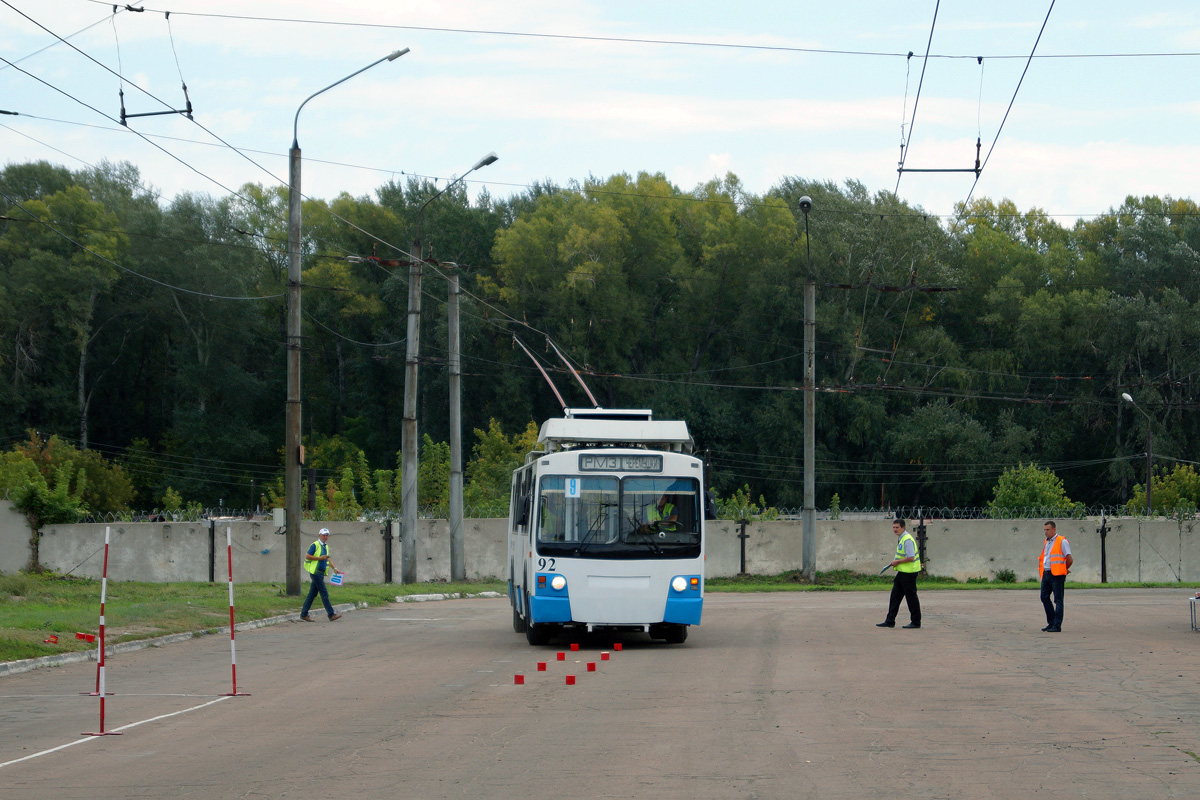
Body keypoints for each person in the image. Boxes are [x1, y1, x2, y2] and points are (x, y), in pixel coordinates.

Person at [877, 519, 922, 629]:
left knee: (911, 598)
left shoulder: (907, 540)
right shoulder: (902, 539)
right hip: (902, 573)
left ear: (903, 527)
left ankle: (916, 622)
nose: (895, 529)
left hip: (909, 573)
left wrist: (897, 562)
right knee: (895, 596)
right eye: (894, 527)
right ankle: (890, 620)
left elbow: (911, 557)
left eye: (897, 527)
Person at [300, 528, 342, 622]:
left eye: (327, 535)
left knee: (312, 594)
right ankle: (331, 614)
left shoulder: (326, 546)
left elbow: (327, 559)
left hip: (321, 573)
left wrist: (334, 568)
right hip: (315, 572)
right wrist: (319, 558)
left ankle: (304, 614)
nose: (325, 537)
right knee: (324, 593)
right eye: (324, 535)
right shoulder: (315, 545)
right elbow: (307, 556)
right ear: (319, 535)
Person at [1038, 520, 1073, 632]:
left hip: (1057, 575)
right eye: (1044, 530)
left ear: (1054, 529)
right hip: (1046, 573)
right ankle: (1051, 622)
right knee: (1044, 597)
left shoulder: (1062, 541)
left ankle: (1057, 625)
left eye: (1048, 530)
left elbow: (1069, 558)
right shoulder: (1047, 542)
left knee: (1058, 600)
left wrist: (1064, 568)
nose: (1046, 532)